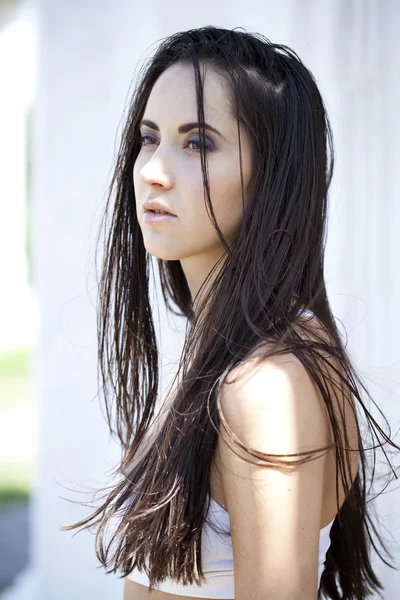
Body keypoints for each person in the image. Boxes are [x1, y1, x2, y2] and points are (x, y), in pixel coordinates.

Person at [60, 26, 400, 600]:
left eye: (198, 143)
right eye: (149, 138)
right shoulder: (223, 354)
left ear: (270, 176)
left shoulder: (268, 384)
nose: (152, 170)